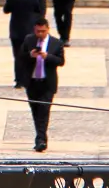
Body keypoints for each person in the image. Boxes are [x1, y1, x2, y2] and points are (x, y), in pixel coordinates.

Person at [18, 17, 65, 152]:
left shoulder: (56, 43)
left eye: (43, 31)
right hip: (32, 82)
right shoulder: (29, 40)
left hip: (47, 83)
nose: (40, 34)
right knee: (36, 111)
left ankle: (41, 140)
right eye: (38, 31)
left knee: (44, 111)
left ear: (47, 29)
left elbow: (61, 61)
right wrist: (30, 55)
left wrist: (47, 57)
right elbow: (20, 57)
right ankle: (40, 137)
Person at [4, 0, 43, 88]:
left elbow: (6, 10)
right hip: (29, 29)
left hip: (16, 29)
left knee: (17, 55)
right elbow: (37, 9)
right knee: (30, 54)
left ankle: (19, 80)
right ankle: (29, 78)